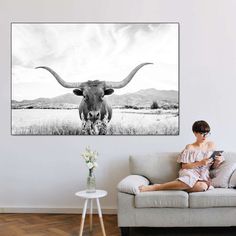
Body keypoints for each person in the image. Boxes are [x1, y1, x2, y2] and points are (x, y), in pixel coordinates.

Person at [139, 120, 224, 193]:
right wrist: (200, 163)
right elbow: (184, 166)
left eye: (207, 133)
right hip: (190, 172)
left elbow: (213, 166)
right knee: (189, 180)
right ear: (195, 133)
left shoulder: (211, 145)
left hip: (203, 175)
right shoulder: (190, 147)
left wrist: (218, 161)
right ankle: (156, 187)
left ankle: (178, 186)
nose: (205, 136)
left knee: (202, 187)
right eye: (202, 133)